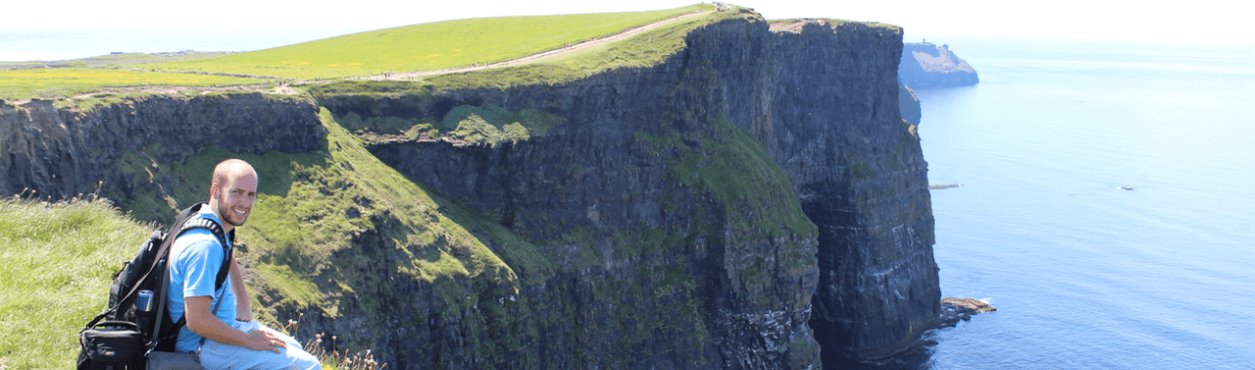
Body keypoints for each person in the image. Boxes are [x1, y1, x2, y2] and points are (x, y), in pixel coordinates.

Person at [167, 158, 320, 369]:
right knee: (308, 366)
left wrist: (243, 299)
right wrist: (248, 340)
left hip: (219, 333)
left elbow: (226, 249)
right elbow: (197, 320)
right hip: (199, 346)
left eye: (251, 195)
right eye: (236, 192)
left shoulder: (206, 219)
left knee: (292, 345)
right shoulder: (204, 246)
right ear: (216, 190)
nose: (245, 203)